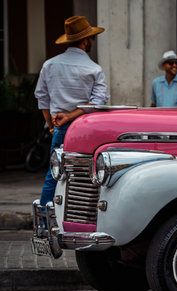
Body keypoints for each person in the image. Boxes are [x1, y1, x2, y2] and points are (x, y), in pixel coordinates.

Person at [34, 16, 110, 207]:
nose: (92, 41)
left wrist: (52, 124)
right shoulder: (94, 68)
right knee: (85, 177)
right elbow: (98, 102)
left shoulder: (49, 65)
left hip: (59, 127)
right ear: (86, 41)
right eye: (91, 38)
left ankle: (45, 221)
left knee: (54, 175)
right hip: (85, 129)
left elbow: (41, 97)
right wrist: (71, 115)